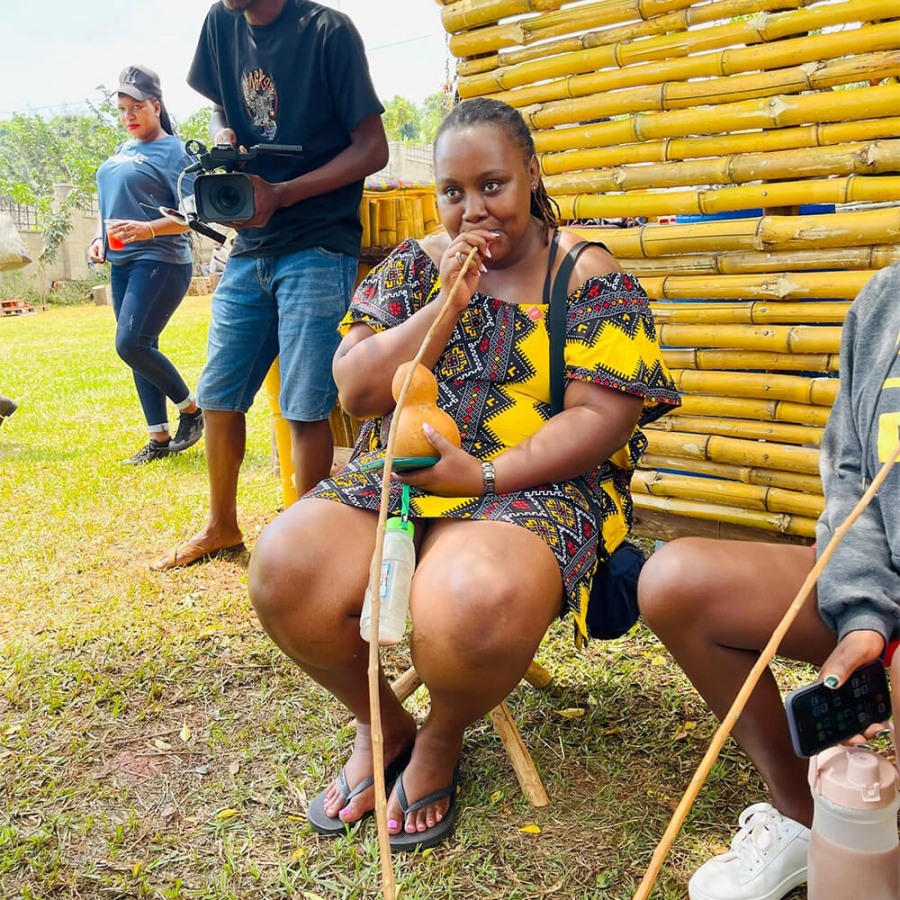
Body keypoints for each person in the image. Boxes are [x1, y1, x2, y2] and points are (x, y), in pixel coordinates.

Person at [248, 97, 681, 851]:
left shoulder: (585, 273)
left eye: (493, 185)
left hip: (536, 489)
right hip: (403, 477)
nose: (473, 209)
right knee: (283, 567)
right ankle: (382, 724)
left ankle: (443, 736)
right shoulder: (416, 269)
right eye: (454, 192)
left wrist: (481, 476)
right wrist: (446, 304)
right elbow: (353, 388)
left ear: (531, 174)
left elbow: (602, 418)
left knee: (471, 596)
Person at [638, 262, 900, 900]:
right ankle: (809, 820)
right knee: (676, 581)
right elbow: (850, 476)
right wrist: (866, 613)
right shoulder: (887, 299)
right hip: (882, 582)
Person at [151, 0, 389, 570]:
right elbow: (216, 109)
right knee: (219, 394)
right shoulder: (221, 22)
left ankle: (305, 543)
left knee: (305, 405)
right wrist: (224, 135)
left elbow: (373, 148)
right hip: (250, 247)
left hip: (318, 239)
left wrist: (283, 193)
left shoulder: (328, 31)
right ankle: (222, 527)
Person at [89, 65, 204, 466]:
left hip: (161, 259)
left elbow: (194, 215)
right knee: (139, 348)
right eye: (122, 109)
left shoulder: (178, 152)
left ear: (156, 105)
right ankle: (158, 438)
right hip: (121, 261)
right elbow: (112, 207)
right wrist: (98, 241)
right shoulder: (122, 152)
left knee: (130, 343)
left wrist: (147, 230)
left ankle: (191, 409)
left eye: (137, 107)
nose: (129, 116)